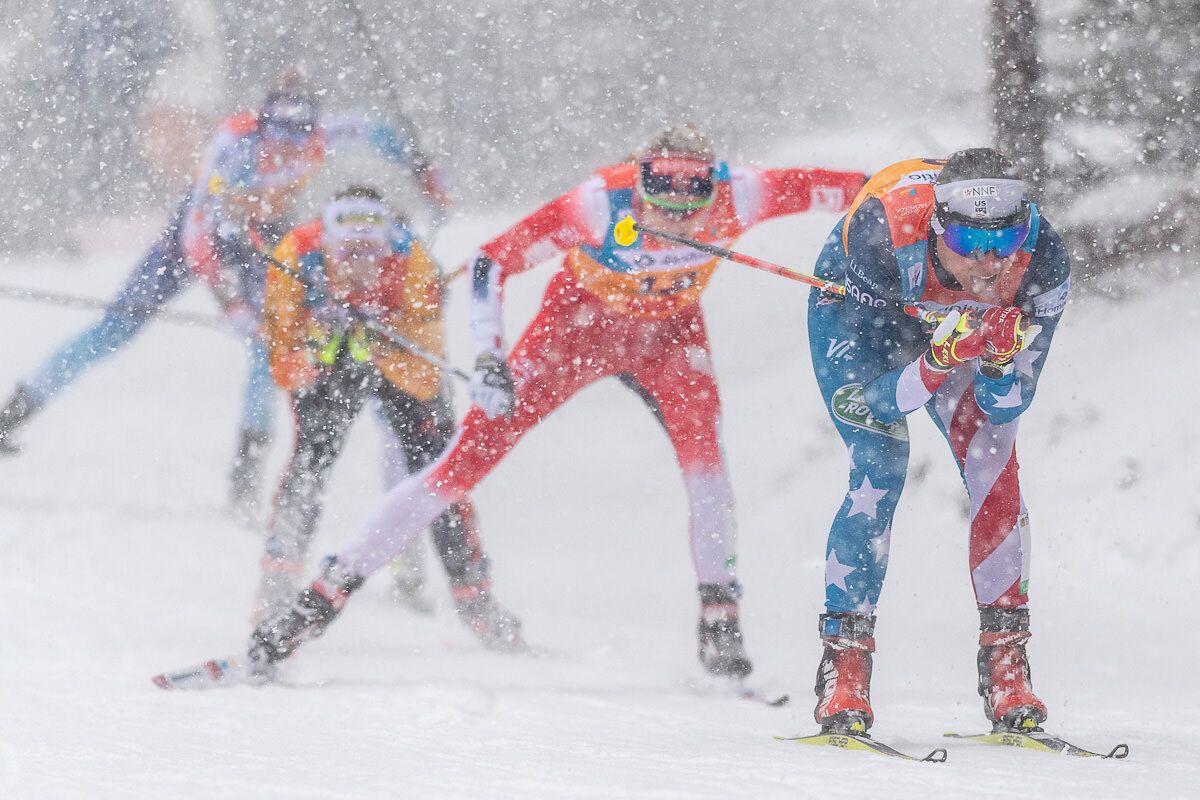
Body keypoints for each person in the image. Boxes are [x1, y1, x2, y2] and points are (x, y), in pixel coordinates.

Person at [233, 123, 866, 681]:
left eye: (693, 192)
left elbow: (857, 188)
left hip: (670, 337)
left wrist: (932, 189)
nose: (675, 209)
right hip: (576, 329)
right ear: (637, 179)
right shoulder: (598, 203)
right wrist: (488, 355)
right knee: (459, 467)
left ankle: (719, 624)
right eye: (659, 189)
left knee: (708, 467)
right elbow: (489, 264)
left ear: (716, 181)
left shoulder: (745, 193)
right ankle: (316, 603)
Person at [0, 68, 450, 519]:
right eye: (277, 132)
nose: (285, 146)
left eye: (298, 135)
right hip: (198, 238)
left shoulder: (321, 138)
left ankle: (245, 477)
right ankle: (12, 415)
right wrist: (231, 301)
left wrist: (422, 170)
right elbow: (197, 237)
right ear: (262, 124)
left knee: (266, 344)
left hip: (259, 242)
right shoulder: (233, 143)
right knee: (115, 328)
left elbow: (376, 132)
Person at [804, 148, 1071, 734]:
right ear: (936, 227)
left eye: (1003, 244)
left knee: (995, 461)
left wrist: (1000, 361)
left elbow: (1008, 404)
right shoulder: (882, 237)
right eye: (969, 242)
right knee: (880, 459)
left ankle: (1007, 668)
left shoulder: (1044, 260)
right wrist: (937, 360)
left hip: (953, 329)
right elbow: (872, 401)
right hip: (864, 315)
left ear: (1024, 230)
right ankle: (843, 669)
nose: (986, 263)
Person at [257, 186, 521, 648]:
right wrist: (321, 344)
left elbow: (425, 372)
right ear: (327, 243)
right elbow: (284, 361)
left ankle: (475, 599)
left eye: (371, 253)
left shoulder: (411, 260)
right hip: (331, 366)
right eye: (348, 253)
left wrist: (380, 337)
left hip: (398, 364)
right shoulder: (295, 254)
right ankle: (275, 590)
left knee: (441, 471)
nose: (360, 265)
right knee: (310, 461)